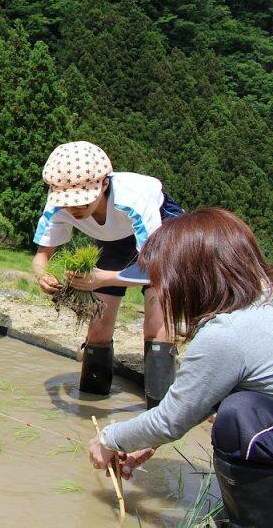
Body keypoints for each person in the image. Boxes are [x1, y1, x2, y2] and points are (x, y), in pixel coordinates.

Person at [88, 209, 273, 526]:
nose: (161, 292)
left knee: (238, 415)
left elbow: (170, 419)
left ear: (192, 278)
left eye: (162, 281)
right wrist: (148, 440)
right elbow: (205, 393)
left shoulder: (227, 333)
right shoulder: (261, 300)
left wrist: (108, 440)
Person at [31, 141, 184, 407]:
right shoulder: (58, 205)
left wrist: (103, 278)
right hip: (112, 241)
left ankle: (159, 410)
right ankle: (91, 398)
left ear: (103, 185)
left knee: (156, 322)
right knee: (99, 328)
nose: (74, 209)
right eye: (67, 202)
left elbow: (153, 267)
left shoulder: (133, 201)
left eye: (80, 201)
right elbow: (41, 257)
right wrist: (43, 275)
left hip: (161, 231)